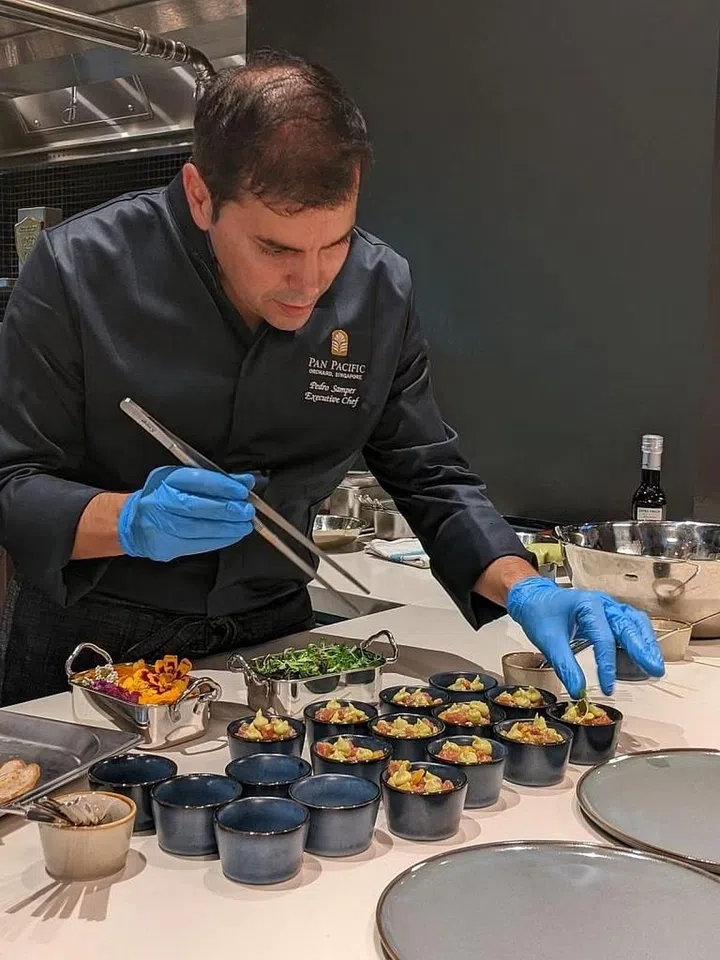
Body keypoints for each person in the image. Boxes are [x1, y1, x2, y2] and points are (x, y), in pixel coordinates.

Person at [0, 53, 664, 706]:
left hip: (277, 641)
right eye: (276, 249)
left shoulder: (379, 287)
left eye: (336, 242)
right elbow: (12, 483)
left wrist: (525, 586)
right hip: (95, 646)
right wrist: (132, 521)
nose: (312, 284)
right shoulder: (79, 269)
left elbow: (426, 470)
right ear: (200, 196)